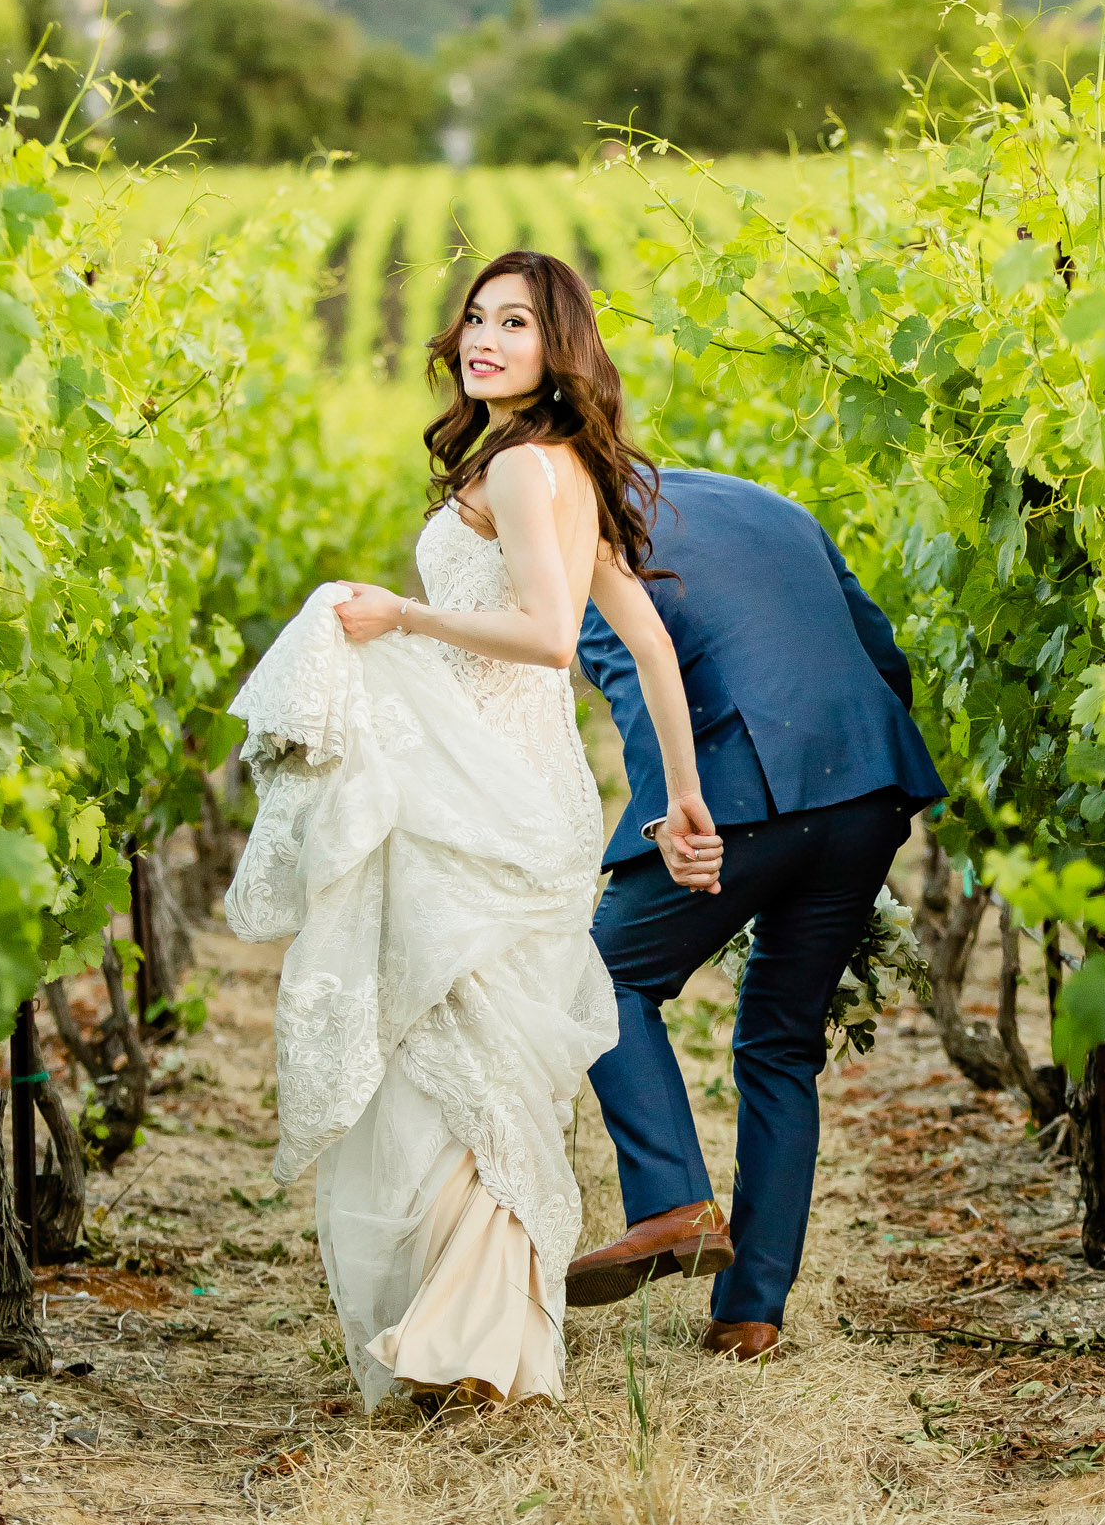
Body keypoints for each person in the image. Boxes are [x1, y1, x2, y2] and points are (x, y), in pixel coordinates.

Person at [223, 251, 712, 1411]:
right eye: (478, 316)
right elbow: (642, 644)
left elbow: (551, 639)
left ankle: (474, 1337)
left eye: (517, 323)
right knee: (466, 1051)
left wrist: (398, 615)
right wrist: (681, 795)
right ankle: (471, 1329)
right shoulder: (555, 465)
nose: (486, 338)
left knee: (470, 1042)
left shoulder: (534, 470)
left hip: (483, 780)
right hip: (504, 774)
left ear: (558, 349)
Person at [569, 469, 945, 1360]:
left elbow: (634, 678)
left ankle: (673, 1202)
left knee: (601, 974)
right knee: (781, 1044)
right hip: (870, 789)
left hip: (741, 793)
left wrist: (669, 818)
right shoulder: (772, 502)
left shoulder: (586, 534)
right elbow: (881, 654)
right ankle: (751, 1314)